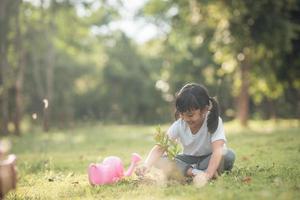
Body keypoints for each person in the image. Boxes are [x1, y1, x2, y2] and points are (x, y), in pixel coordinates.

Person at [137, 83, 235, 186]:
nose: (185, 119)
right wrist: (146, 165)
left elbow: (217, 151)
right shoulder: (180, 124)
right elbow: (159, 148)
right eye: (181, 114)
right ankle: (194, 172)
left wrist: (208, 174)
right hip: (188, 159)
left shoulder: (214, 121)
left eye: (190, 115)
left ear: (204, 110)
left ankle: (198, 171)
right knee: (160, 159)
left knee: (228, 155)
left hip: (209, 158)